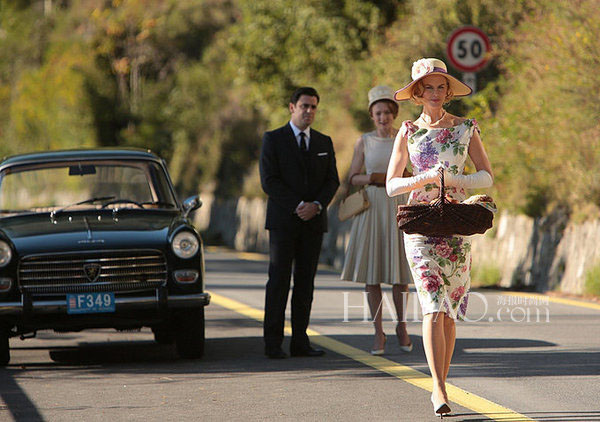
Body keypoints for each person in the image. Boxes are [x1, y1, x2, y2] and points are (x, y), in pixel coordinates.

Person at [385, 58, 493, 417]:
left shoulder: (466, 128)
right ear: (417, 93)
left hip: (458, 225)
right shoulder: (407, 131)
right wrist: (423, 179)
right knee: (432, 305)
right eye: (427, 87)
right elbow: (391, 185)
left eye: (440, 87)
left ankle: (443, 382)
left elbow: (486, 177)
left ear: (448, 91)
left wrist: (453, 180)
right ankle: (439, 388)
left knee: (448, 313)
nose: (434, 93)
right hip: (421, 226)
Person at [259, 87, 340, 359]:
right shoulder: (273, 139)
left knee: (305, 284)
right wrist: (298, 206)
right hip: (283, 222)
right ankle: (273, 342)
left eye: (314, 107)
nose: (309, 111)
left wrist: (316, 206)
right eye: (304, 106)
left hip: (314, 223)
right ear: (292, 107)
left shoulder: (323, 142)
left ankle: (300, 341)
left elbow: (332, 181)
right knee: (279, 281)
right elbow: (269, 181)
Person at [340, 85, 413, 356]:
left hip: (396, 204)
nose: (383, 117)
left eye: (387, 112)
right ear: (371, 115)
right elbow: (352, 177)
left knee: (399, 274)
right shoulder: (364, 141)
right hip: (372, 207)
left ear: (394, 114)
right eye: (378, 113)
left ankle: (402, 327)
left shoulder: (403, 138)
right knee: (373, 274)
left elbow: (413, 170)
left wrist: (397, 178)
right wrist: (374, 178)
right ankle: (377, 332)